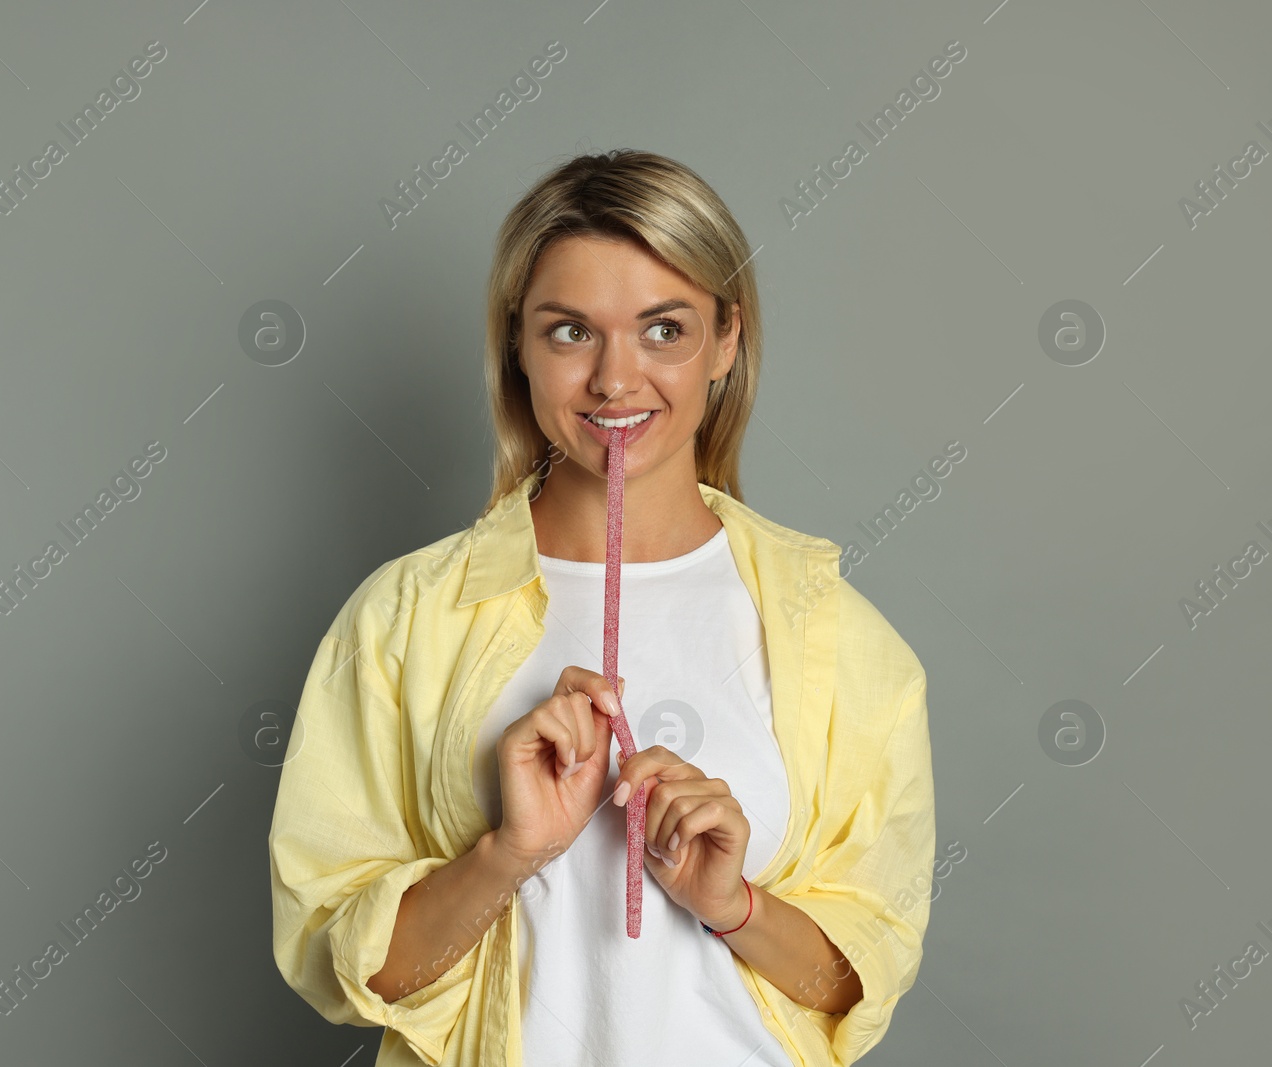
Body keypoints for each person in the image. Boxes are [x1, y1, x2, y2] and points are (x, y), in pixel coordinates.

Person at [269, 149, 936, 1067]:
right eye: (571, 332)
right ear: (519, 344)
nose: (616, 380)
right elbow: (348, 971)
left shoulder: (837, 635)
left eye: (664, 329)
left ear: (726, 340)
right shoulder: (402, 620)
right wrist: (506, 852)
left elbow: (853, 990)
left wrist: (734, 905)